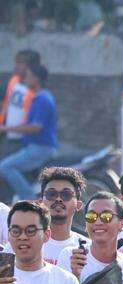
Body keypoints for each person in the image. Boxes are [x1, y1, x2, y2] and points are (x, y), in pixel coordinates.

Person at [0, 62, 57, 202]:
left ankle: (30, 200)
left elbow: (36, 127)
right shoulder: (37, 97)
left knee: (6, 167)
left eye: (29, 76)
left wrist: (6, 128)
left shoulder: (43, 99)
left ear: (36, 79)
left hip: (41, 147)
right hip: (33, 146)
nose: (25, 78)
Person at [37, 166, 89, 263]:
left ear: (78, 205)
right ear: (41, 203)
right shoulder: (24, 244)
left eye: (66, 194)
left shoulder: (88, 249)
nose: (58, 199)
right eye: (51, 194)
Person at [1, 50, 40, 156]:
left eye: (20, 63)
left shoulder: (36, 89)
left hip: (22, 138)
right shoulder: (13, 81)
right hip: (6, 134)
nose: (16, 66)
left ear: (31, 66)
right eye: (16, 62)